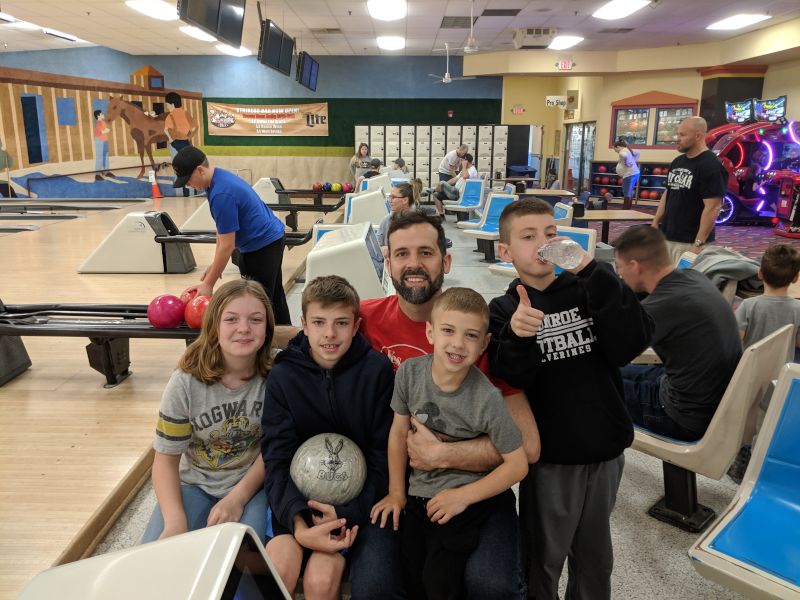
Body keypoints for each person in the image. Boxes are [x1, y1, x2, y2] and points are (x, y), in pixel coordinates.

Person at [360, 210, 540, 599]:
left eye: (425, 252)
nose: (413, 264)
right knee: (375, 586)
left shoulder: (475, 328)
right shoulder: (363, 318)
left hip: (471, 489)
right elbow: (314, 330)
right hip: (395, 486)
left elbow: (528, 445)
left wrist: (444, 455)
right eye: (402, 253)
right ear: (387, 262)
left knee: (490, 585)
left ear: (446, 261)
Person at [488, 198, 653, 600]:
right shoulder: (504, 309)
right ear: (505, 252)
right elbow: (511, 378)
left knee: (596, 556)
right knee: (544, 556)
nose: (542, 244)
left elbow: (631, 341)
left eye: (550, 233)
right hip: (551, 458)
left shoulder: (587, 288)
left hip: (604, 446)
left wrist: (592, 271)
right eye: (528, 237)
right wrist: (518, 336)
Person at [371, 287, 528, 600]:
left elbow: (518, 463)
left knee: (441, 582)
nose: (458, 343)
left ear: (484, 343)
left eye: (471, 336)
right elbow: (398, 432)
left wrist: (463, 497)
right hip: (418, 498)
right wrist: (396, 493)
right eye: (448, 331)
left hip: (465, 504)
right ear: (430, 332)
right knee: (411, 574)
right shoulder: (409, 374)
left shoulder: (486, 399)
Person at [262, 275, 396, 600]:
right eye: (319, 322)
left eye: (341, 323)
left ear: (356, 325)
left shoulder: (376, 371)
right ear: (304, 325)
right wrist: (298, 524)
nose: (330, 334)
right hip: (293, 503)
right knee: (279, 571)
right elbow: (276, 457)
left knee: (320, 582)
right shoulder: (283, 375)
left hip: (353, 505)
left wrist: (348, 514)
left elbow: (383, 456)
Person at [140, 279, 274, 543]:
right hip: (196, 484)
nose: (244, 328)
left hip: (252, 485)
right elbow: (165, 460)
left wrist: (237, 498)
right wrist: (176, 520)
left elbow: (274, 450)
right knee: (157, 553)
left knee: (242, 553)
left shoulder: (276, 376)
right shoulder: (185, 382)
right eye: (231, 319)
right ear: (213, 325)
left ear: (268, 328)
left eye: (256, 320)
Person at [613, 225, 742, 441]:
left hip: (681, 416)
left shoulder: (662, 306)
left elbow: (615, 351)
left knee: (589, 383)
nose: (618, 273)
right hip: (703, 398)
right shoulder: (693, 277)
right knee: (617, 372)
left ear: (635, 266)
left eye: (619, 267)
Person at [173, 146, 291, 325]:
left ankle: (267, 346)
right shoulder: (218, 178)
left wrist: (208, 284)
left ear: (200, 170)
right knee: (273, 296)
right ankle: (288, 341)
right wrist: (214, 266)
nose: (188, 185)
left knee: (258, 302)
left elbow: (228, 245)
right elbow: (222, 233)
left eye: (188, 180)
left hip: (262, 246)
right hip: (269, 239)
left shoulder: (221, 194)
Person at [651, 116, 727, 263]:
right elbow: (669, 193)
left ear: (698, 135)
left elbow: (713, 207)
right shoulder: (677, 162)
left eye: (682, 135)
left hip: (690, 242)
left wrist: (699, 243)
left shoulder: (711, 165)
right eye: (677, 134)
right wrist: (655, 222)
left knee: (683, 284)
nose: (677, 138)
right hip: (668, 237)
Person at [737, 244, 800, 363]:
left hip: (750, 370)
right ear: (795, 278)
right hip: (782, 375)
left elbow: (735, 337)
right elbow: (798, 342)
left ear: (760, 273)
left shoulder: (748, 305)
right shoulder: (798, 308)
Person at [377, 180, 422, 248]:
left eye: (393, 197)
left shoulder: (418, 224)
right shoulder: (386, 220)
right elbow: (378, 245)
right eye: (390, 197)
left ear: (405, 200)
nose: (390, 200)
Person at [164, 91, 198, 157]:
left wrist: (171, 141)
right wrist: (189, 138)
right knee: (187, 160)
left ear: (172, 105)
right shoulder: (186, 113)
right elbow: (195, 127)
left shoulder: (170, 116)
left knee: (176, 163)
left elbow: (165, 130)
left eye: (167, 105)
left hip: (175, 143)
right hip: (186, 142)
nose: (167, 107)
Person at [614, 138, 640, 209]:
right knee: (629, 191)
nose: (615, 151)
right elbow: (637, 153)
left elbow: (624, 155)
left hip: (629, 174)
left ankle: (625, 209)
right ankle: (628, 209)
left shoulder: (622, 151)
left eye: (615, 149)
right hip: (634, 173)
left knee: (627, 192)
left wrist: (628, 162)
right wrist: (634, 160)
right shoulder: (628, 150)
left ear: (618, 147)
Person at [93, 109, 112, 180]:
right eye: (101, 114)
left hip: (104, 141)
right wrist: (106, 131)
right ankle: (97, 174)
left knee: (106, 156)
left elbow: (103, 130)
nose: (103, 115)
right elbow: (99, 132)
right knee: (100, 157)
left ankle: (107, 172)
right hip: (99, 141)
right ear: (98, 116)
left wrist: (106, 130)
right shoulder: (99, 123)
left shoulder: (102, 122)